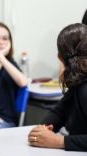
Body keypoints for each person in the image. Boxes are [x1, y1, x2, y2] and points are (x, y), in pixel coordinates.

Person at [28, 23, 87, 152]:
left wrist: (60, 142)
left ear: (59, 57)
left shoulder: (84, 88)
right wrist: (43, 129)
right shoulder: (77, 83)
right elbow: (59, 112)